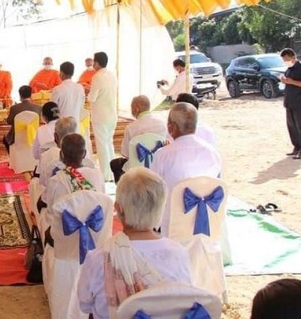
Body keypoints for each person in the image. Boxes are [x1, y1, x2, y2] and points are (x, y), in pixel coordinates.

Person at [77, 168, 192, 319]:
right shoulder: (179, 254)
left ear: (119, 209)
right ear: (161, 209)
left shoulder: (98, 258)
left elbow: (85, 305)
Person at [151, 102, 221, 235]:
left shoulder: (163, 155)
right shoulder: (212, 153)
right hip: (207, 223)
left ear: (172, 127)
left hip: (172, 227)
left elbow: (153, 193)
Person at [110, 95, 168, 183]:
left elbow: (125, 154)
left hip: (136, 168)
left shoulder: (131, 127)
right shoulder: (162, 124)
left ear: (136, 109)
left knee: (114, 164)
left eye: (131, 108)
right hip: (158, 166)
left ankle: (123, 191)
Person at [43, 133, 105, 212]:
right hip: (96, 223)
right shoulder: (98, 175)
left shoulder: (55, 181)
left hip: (65, 224)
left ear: (61, 155)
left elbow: (49, 207)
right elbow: (102, 201)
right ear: (84, 154)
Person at [89, 52, 118, 181]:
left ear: (97, 63)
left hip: (100, 116)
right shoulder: (112, 75)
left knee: (102, 145)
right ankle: (113, 171)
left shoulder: (97, 77)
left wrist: (87, 91)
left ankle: (105, 175)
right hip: (111, 114)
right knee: (109, 143)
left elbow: (92, 97)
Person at [280, 48, 301, 159]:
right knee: (292, 127)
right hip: (290, 102)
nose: (285, 62)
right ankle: (297, 147)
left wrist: (292, 81)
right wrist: (284, 80)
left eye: (286, 59)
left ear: (293, 57)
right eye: (283, 60)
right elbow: (288, 82)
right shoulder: (289, 69)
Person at [3, 85, 42, 152]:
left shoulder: (14, 108)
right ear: (31, 95)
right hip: (34, 135)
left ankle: (12, 156)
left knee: (5, 140)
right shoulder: (38, 108)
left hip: (16, 136)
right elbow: (40, 121)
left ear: (20, 95)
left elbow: (9, 121)